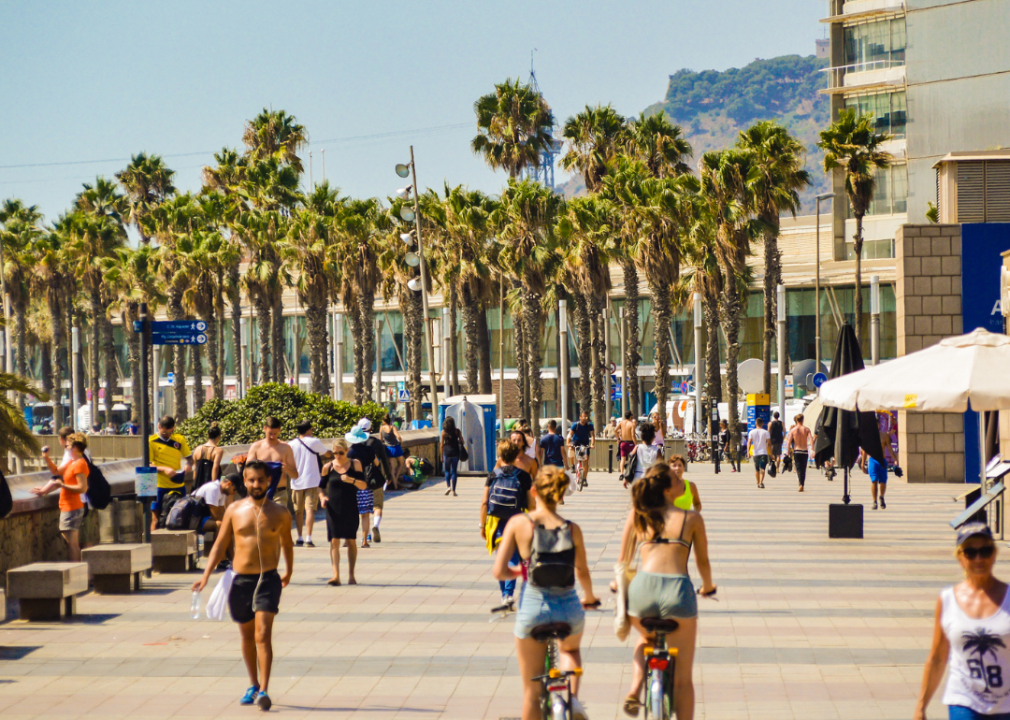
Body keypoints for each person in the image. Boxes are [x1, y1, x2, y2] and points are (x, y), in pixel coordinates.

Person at [493, 466, 599, 720]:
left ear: (533, 491)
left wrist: (520, 572)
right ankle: (571, 700)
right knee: (570, 651)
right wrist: (590, 597)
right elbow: (582, 571)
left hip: (534, 607)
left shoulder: (519, 523)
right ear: (561, 494)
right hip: (569, 608)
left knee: (531, 693)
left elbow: (499, 570)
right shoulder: (572, 529)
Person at [193, 461, 294, 711]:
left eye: (260, 480)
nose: (256, 484)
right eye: (251, 480)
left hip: (268, 579)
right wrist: (205, 575)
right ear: (244, 482)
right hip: (239, 580)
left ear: (268, 481)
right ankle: (252, 683)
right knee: (247, 636)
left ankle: (264, 690)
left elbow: (288, 544)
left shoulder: (280, 512)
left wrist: (289, 570)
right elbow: (219, 544)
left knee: (263, 634)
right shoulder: (234, 510)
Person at [618, 463, 716, 719]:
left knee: (645, 638)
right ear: (669, 488)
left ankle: (635, 686)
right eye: (675, 478)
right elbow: (702, 562)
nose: (680, 481)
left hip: (642, 592)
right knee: (683, 679)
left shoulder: (638, 515)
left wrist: (617, 584)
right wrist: (707, 586)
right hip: (678, 593)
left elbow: (623, 561)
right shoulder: (691, 518)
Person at [915, 523, 1010, 720]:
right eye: (970, 552)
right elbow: (938, 656)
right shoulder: (948, 599)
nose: (978, 558)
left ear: (994, 554)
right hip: (964, 700)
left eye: (985, 551)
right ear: (960, 557)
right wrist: (921, 707)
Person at [482, 440, 537, 605]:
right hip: (518, 520)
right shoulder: (523, 476)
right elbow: (531, 503)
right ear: (515, 456)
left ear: (500, 455)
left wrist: (482, 525)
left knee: (501, 556)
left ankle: (504, 593)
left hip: (496, 521)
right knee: (513, 557)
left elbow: (484, 502)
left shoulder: (493, 475)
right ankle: (508, 593)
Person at [319, 439, 368, 585]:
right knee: (334, 541)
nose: (338, 456)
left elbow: (364, 485)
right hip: (333, 509)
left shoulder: (355, 464)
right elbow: (321, 486)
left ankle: (351, 575)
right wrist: (322, 497)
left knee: (351, 541)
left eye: (341, 453)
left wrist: (351, 480)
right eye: (335, 453)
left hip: (350, 507)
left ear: (346, 451)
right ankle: (336, 576)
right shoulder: (328, 467)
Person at [34, 432, 90, 561]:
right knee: (72, 544)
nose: (65, 448)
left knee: (72, 545)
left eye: (67, 446)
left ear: (74, 447)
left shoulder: (80, 464)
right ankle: (78, 575)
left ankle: (76, 576)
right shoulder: (72, 461)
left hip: (72, 508)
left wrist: (62, 486)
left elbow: (82, 488)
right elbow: (56, 472)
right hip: (68, 507)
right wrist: (46, 457)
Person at [290, 420, 331, 547]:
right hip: (312, 480)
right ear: (308, 430)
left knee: (298, 511)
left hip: (296, 482)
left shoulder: (291, 444)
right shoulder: (314, 441)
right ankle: (309, 538)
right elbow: (327, 454)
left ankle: (300, 537)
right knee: (310, 510)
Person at [149, 416, 193, 532]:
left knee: (179, 517)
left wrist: (189, 465)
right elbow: (148, 465)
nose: (168, 435)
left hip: (177, 484)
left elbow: (189, 458)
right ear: (159, 427)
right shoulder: (151, 441)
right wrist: (164, 469)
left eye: (170, 432)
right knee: (155, 519)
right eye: (165, 432)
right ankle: (151, 545)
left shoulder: (179, 440)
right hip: (158, 486)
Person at [246, 417, 299, 506]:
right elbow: (246, 471)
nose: (272, 436)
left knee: (279, 519)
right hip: (260, 492)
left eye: (275, 433)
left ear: (279, 430)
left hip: (279, 493)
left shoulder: (285, 448)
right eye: (270, 433)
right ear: (264, 429)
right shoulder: (256, 447)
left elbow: (295, 475)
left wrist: (287, 469)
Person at [192, 472, 238, 564]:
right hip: (192, 519)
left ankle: (233, 560)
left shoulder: (223, 491)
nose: (235, 492)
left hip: (202, 517)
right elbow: (215, 515)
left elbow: (221, 513)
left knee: (226, 525)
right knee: (221, 525)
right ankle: (222, 561)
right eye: (235, 489)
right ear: (228, 484)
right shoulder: (213, 489)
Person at [785, 413, 814, 493]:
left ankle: (800, 484)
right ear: (802, 420)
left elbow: (788, 442)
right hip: (804, 451)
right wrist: (812, 449)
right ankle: (802, 484)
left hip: (797, 451)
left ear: (796, 420)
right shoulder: (806, 429)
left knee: (798, 468)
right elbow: (811, 440)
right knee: (803, 468)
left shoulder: (793, 430)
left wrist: (787, 452)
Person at [628, 421, 662, 487]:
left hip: (638, 477)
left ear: (642, 437)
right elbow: (660, 466)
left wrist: (627, 478)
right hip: (651, 477)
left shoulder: (637, 447)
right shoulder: (657, 450)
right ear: (653, 438)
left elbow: (631, 460)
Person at [192, 423, 224, 491]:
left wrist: (194, 485)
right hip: (209, 483)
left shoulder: (197, 449)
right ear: (218, 436)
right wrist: (214, 486)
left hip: (198, 484)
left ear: (208, 435)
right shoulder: (218, 450)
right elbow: (215, 468)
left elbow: (195, 469)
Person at [567, 411, 596, 487]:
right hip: (576, 442)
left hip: (584, 444)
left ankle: (584, 479)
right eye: (583, 417)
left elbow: (592, 436)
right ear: (580, 417)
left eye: (586, 417)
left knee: (586, 461)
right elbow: (570, 435)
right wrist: (568, 443)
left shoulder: (590, 425)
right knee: (570, 449)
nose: (585, 419)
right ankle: (572, 465)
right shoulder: (575, 425)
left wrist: (592, 444)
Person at [860, 439, 889, 510]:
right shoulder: (868, 436)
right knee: (874, 480)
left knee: (883, 482)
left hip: (882, 460)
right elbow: (864, 450)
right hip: (872, 460)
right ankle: (874, 501)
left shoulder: (884, 435)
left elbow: (889, 448)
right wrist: (862, 464)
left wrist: (895, 460)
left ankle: (881, 497)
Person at [441, 416, 463, 497]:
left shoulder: (443, 432)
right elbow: (462, 442)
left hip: (446, 453)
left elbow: (441, 445)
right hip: (455, 453)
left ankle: (448, 487)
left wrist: (441, 456)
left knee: (447, 471)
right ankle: (453, 491)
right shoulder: (457, 431)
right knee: (454, 471)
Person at [380, 414, 406, 484]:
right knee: (400, 463)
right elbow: (398, 437)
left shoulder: (381, 428)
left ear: (384, 421)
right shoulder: (393, 427)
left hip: (389, 449)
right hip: (396, 447)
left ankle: (395, 485)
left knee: (391, 468)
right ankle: (396, 478)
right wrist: (401, 442)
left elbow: (381, 439)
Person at [746, 417, 771, 489]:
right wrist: (771, 454)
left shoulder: (751, 432)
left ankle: (758, 482)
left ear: (756, 424)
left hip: (755, 453)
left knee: (757, 469)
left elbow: (749, 442)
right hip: (764, 453)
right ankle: (761, 482)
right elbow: (769, 444)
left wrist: (748, 452)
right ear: (762, 424)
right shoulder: (766, 432)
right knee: (762, 468)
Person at [617, 411, 638, 477]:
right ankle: (631, 472)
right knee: (633, 457)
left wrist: (618, 439)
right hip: (630, 443)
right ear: (630, 416)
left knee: (622, 459)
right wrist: (636, 444)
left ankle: (622, 473)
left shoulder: (621, 422)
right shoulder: (632, 424)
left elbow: (615, 430)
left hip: (623, 443)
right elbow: (633, 435)